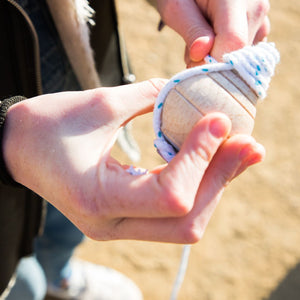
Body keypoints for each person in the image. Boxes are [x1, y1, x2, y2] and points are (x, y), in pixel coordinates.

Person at [0, 0, 270, 299]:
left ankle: (58, 272)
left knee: (64, 221)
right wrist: (6, 137)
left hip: (72, 58)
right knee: (22, 282)